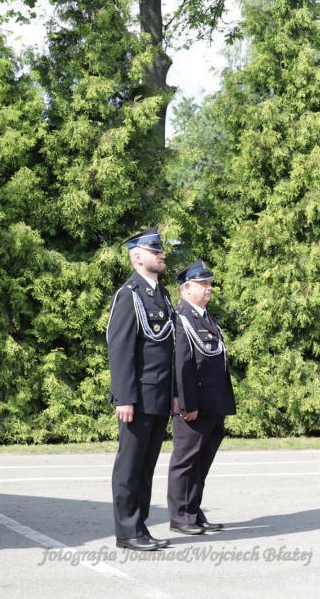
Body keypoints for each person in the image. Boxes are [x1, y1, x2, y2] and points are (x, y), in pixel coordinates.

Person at [106, 226, 175, 551]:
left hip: (159, 395)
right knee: (130, 465)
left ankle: (140, 527)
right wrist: (124, 397)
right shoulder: (129, 294)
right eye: (155, 251)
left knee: (146, 466)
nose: (162, 255)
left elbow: (167, 349)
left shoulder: (162, 294)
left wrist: (174, 393)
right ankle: (127, 531)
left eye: (160, 250)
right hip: (138, 397)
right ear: (137, 257)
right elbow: (120, 348)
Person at [167, 259, 236, 534]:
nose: (209, 288)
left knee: (202, 461)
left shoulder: (204, 317)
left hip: (212, 404)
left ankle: (193, 511)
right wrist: (187, 404)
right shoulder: (181, 317)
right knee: (186, 461)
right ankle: (180, 517)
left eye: (209, 283)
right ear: (186, 288)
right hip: (194, 405)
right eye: (203, 284)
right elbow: (181, 365)